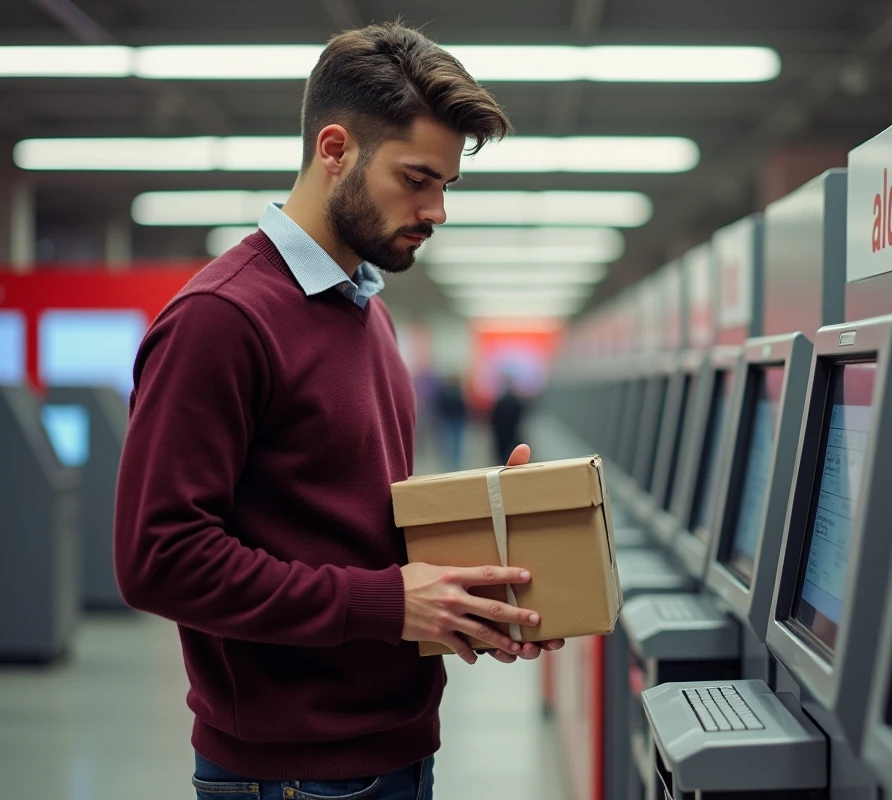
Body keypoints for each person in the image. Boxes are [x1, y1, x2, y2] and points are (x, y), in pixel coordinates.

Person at [113, 24, 563, 800]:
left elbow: (339, 525)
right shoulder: (223, 318)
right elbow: (160, 558)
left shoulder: (365, 312)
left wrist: (476, 563)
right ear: (334, 149)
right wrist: (389, 604)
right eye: (417, 178)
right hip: (293, 775)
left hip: (391, 746)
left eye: (447, 186)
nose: (437, 211)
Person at [433, 375, 468, 471]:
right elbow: (463, 406)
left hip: (448, 420)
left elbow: (440, 406)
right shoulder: (458, 392)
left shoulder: (444, 392)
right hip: (457, 419)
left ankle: (449, 462)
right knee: (456, 441)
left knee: (449, 441)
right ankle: (455, 461)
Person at [491, 376, 525, 466]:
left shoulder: (500, 400)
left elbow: (494, 416)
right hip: (512, 429)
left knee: (501, 449)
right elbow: (520, 415)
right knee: (510, 447)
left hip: (501, 430)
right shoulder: (516, 400)